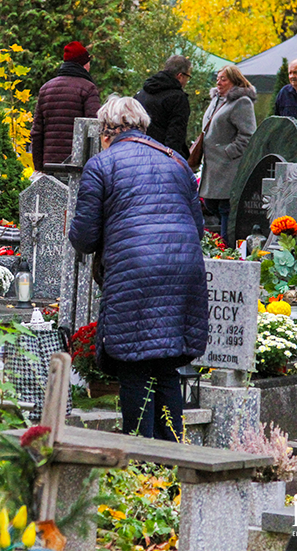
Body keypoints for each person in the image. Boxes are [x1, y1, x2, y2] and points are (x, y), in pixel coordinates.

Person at [68, 95, 208, 441]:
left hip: (135, 272)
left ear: (107, 131)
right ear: (143, 127)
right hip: (182, 271)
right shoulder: (177, 161)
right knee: (166, 366)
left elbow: (84, 238)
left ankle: (140, 462)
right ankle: (172, 457)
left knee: (133, 366)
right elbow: (198, 228)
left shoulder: (102, 165)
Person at [198, 65, 257, 246]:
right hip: (212, 165)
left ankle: (227, 249)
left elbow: (248, 134)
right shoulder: (217, 100)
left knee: (226, 209)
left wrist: (228, 151)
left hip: (227, 168)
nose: (219, 82)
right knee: (211, 205)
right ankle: (221, 247)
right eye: (218, 78)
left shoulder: (241, 102)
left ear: (235, 81)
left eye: (223, 79)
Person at [30, 41, 101, 172]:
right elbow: (95, 129)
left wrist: (39, 167)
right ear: (83, 64)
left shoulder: (46, 88)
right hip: (77, 166)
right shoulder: (88, 88)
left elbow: (36, 132)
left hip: (50, 165)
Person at [134, 55, 192, 158]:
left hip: (137, 151)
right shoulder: (178, 98)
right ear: (180, 76)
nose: (187, 81)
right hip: (160, 155)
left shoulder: (142, 93)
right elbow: (176, 134)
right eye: (188, 77)